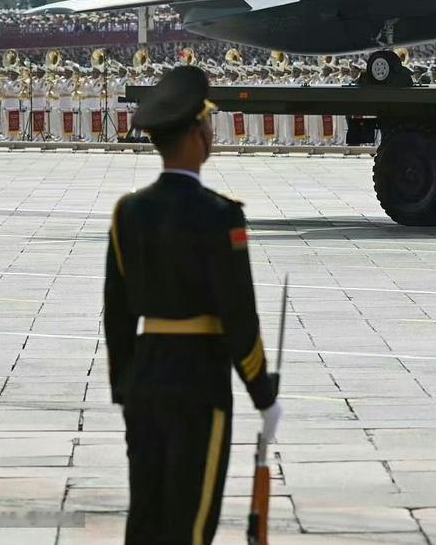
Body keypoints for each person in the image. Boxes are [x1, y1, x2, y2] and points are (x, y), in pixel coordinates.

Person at [104, 65, 282, 544]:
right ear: (197, 136)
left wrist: (126, 385)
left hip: (145, 381)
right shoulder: (220, 215)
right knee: (191, 525)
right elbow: (238, 315)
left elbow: (116, 315)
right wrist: (262, 392)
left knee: (145, 523)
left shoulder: (128, 212)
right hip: (199, 383)